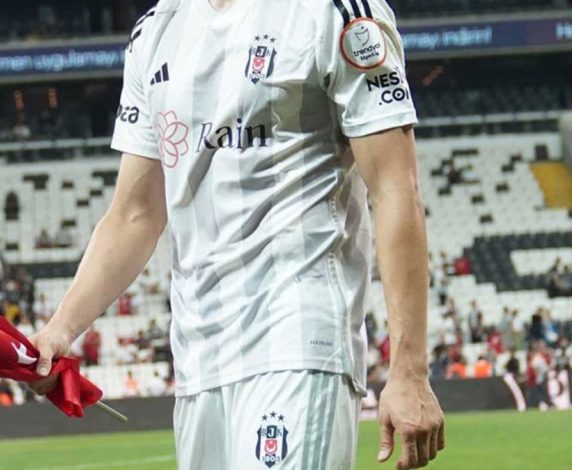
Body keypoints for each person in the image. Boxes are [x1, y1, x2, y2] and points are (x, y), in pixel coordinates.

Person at [28, 1, 445, 469]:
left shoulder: (335, 11)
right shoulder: (156, 30)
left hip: (298, 339)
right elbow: (134, 214)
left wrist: (410, 370)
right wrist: (61, 329)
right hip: (198, 361)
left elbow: (395, 189)